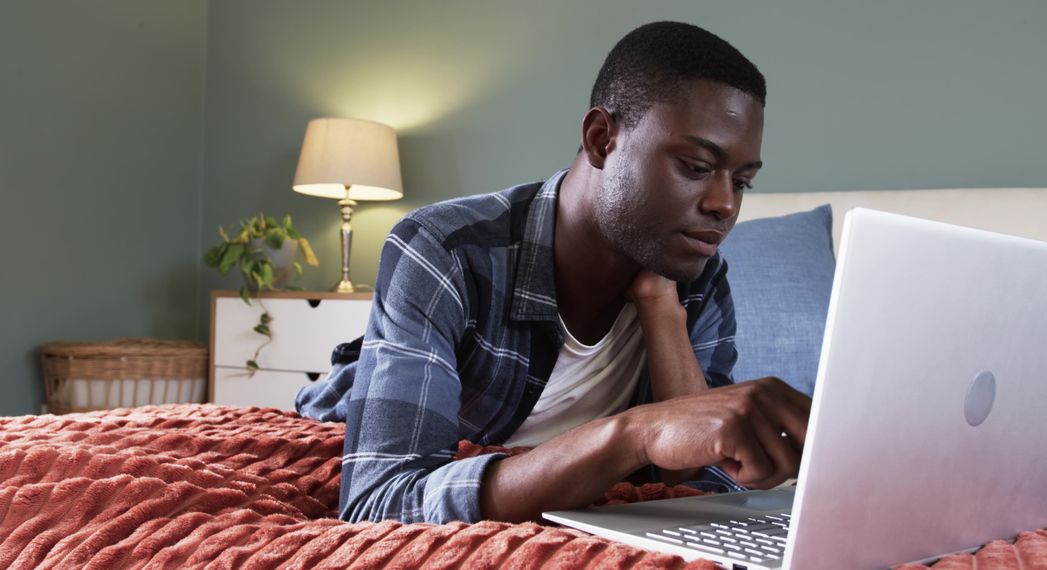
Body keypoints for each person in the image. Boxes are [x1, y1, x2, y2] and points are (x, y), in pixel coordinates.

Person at [297, 21, 812, 525]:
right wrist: (633, 433)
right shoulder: (447, 249)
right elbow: (379, 501)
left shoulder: (698, 277)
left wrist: (661, 308)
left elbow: (696, 472)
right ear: (601, 138)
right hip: (339, 420)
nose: (725, 204)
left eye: (742, 182)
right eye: (696, 167)